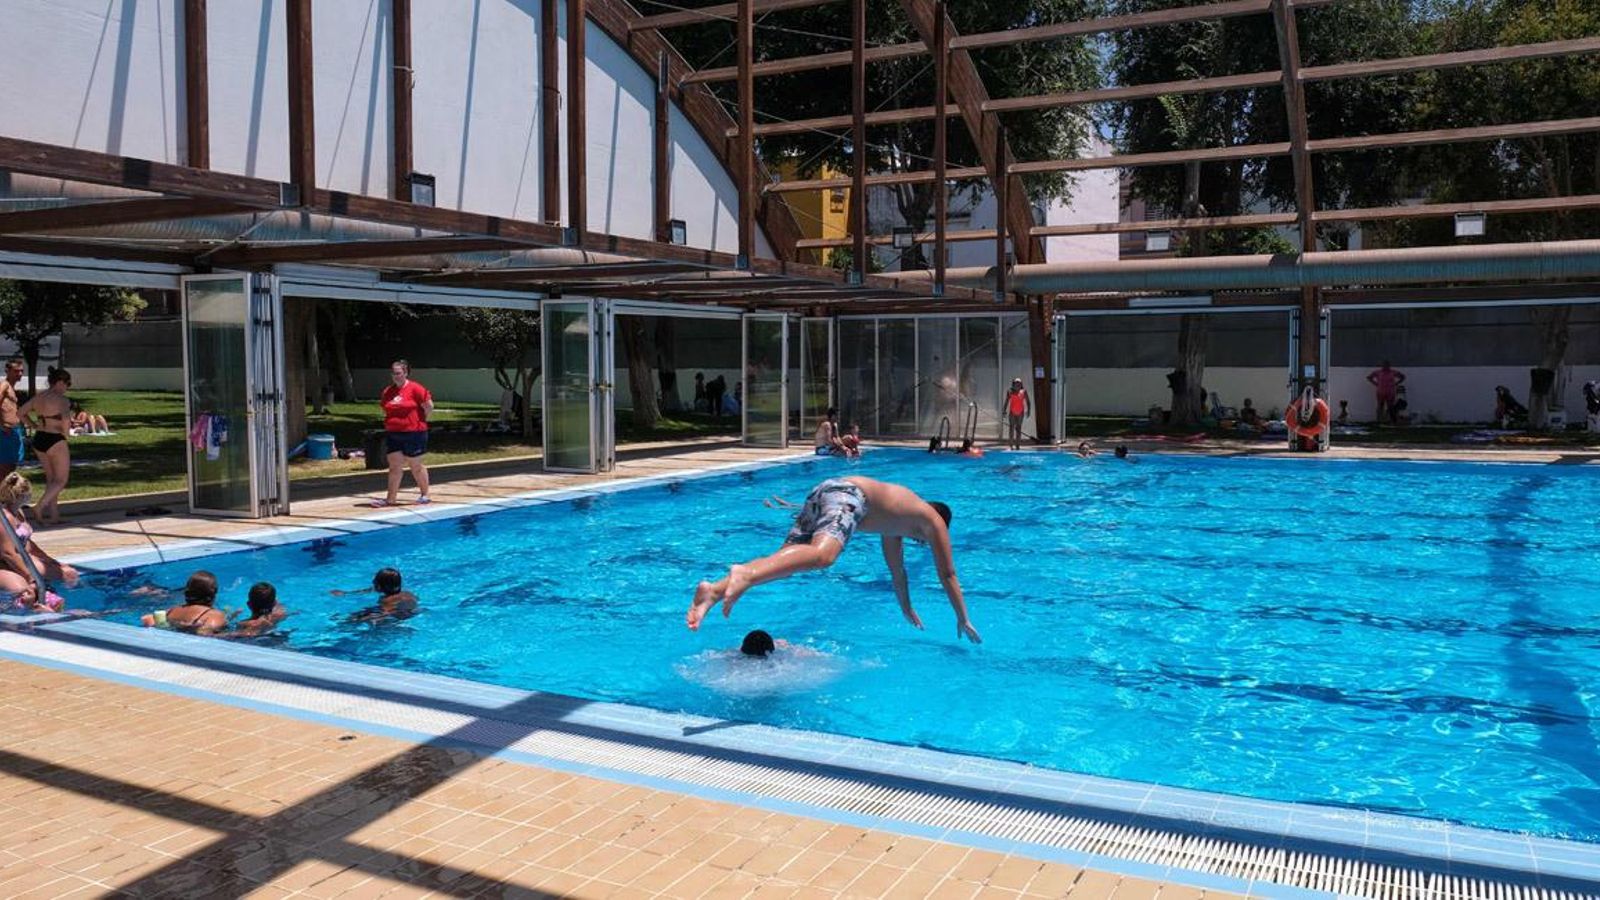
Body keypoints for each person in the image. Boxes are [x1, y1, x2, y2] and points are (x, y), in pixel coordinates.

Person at [687, 476, 981, 643]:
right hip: (849, 495)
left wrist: (906, 608)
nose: (922, 542)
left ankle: (712, 591)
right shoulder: (934, 520)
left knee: (784, 563)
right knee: (824, 555)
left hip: (824, 490)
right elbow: (948, 574)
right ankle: (744, 575)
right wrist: (963, 617)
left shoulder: (896, 525)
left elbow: (897, 571)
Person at [0, 472, 75, 611]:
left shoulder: (19, 513)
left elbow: (27, 544)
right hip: (4, 564)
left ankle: (53, 602)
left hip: (17, 560)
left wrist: (55, 563)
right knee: (25, 591)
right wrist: (31, 578)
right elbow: (8, 553)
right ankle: (26, 608)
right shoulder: (5, 518)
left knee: (63, 573)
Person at [374, 360, 433, 508]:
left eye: (399, 373)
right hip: (394, 433)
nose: (396, 376)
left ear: (406, 373)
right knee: (394, 467)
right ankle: (390, 499)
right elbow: (386, 408)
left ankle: (424, 494)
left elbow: (429, 406)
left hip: (414, 433)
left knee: (415, 465)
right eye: (393, 373)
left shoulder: (416, 388)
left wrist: (420, 421)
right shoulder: (388, 391)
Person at [18, 367, 72, 524]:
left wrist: (34, 425)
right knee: (61, 480)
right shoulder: (62, 400)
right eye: (67, 383)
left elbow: (20, 412)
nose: (67, 387)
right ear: (60, 382)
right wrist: (66, 433)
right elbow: (66, 422)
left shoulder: (39, 397)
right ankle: (39, 506)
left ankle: (54, 515)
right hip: (55, 438)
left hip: (40, 438)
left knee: (51, 480)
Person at [141, 571, 228, 635]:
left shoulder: (172, 610)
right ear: (214, 592)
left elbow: (149, 620)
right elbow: (205, 635)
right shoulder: (214, 615)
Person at [349, 567, 419, 622]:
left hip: (399, 617)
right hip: (412, 613)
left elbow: (385, 614)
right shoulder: (408, 593)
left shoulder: (387, 600)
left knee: (355, 616)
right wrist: (347, 593)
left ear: (379, 586)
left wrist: (361, 619)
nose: (372, 582)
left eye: (375, 582)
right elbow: (371, 589)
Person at [0, 358, 26, 481]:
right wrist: (1, 424)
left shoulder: (12, 388)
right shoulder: (4, 385)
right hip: (6, 431)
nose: (20, 374)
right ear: (7, 371)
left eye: (21, 371)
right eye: (16, 371)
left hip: (15, 430)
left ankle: (5, 496)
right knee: (4, 468)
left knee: (12, 467)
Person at [1004, 377, 1030, 451]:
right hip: (1012, 412)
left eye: (1019, 383)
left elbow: (1028, 402)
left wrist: (1029, 410)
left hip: (1020, 413)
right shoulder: (1010, 392)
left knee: (1018, 429)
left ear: (1021, 384)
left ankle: (1017, 446)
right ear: (1013, 384)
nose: (1018, 384)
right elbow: (1006, 401)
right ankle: (1011, 445)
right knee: (1011, 429)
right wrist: (1004, 410)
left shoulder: (1023, 391)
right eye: (1016, 383)